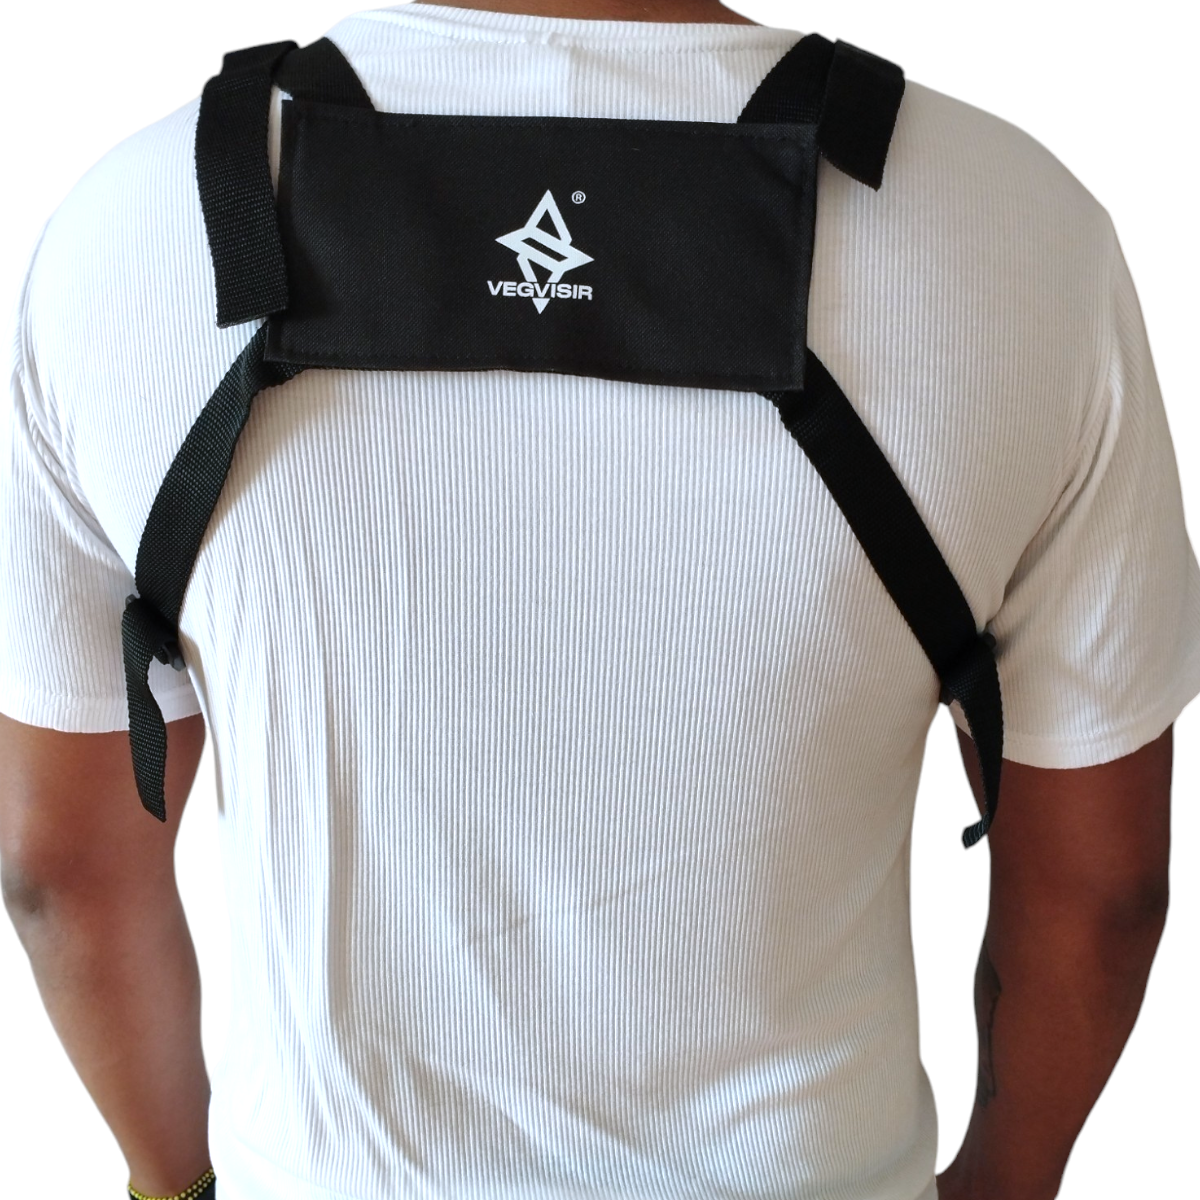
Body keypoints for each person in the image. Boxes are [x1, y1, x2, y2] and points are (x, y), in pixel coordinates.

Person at [1, 2, 1196, 1199]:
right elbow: (1102, 894)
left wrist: (176, 1185)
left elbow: (62, 871)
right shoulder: (1019, 235)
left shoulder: (129, 229)